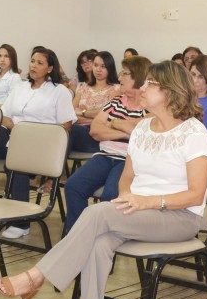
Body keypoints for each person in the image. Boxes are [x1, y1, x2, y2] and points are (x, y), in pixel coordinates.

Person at [0, 60, 207, 299]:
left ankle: (37, 277)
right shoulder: (142, 129)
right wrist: (127, 198)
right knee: (98, 245)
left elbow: (196, 193)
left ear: (169, 91)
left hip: (178, 216)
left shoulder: (193, 132)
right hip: (138, 210)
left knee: (97, 213)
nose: (142, 88)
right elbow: (127, 178)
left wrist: (147, 201)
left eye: (150, 83)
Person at [63, 55, 151, 232]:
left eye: (124, 74)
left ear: (137, 76)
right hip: (104, 155)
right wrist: (125, 131)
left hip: (129, 160)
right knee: (73, 187)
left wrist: (112, 125)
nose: (119, 78)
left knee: (111, 196)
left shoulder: (149, 105)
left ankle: (100, 239)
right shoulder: (117, 101)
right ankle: (76, 236)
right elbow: (95, 130)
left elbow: (141, 132)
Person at [0, 48, 77, 239]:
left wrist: (34, 135)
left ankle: (22, 222)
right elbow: (5, 116)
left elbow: (66, 125)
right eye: (32, 61)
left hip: (45, 143)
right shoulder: (20, 87)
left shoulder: (60, 91)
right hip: (17, 138)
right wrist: (16, 129)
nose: (33, 65)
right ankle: (9, 208)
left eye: (40, 63)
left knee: (18, 166)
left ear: (50, 68)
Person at [70, 51, 121, 152]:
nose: (98, 69)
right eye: (96, 65)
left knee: (68, 131)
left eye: (103, 66)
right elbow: (71, 112)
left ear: (110, 68)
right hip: (77, 130)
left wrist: (82, 112)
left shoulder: (116, 89)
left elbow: (107, 116)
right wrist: (94, 117)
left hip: (97, 135)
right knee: (63, 131)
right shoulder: (84, 87)